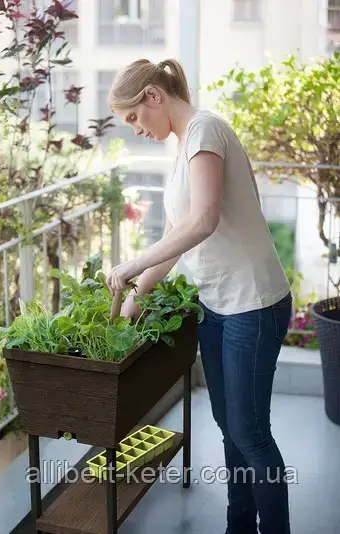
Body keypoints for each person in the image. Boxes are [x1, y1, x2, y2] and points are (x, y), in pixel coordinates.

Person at [106, 58, 292, 534]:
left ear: (153, 96)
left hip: (253, 303)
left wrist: (131, 264)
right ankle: (238, 527)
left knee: (250, 433)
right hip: (217, 305)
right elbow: (177, 233)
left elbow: (203, 220)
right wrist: (138, 294)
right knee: (231, 429)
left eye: (134, 117)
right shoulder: (183, 146)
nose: (135, 129)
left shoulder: (205, 131)